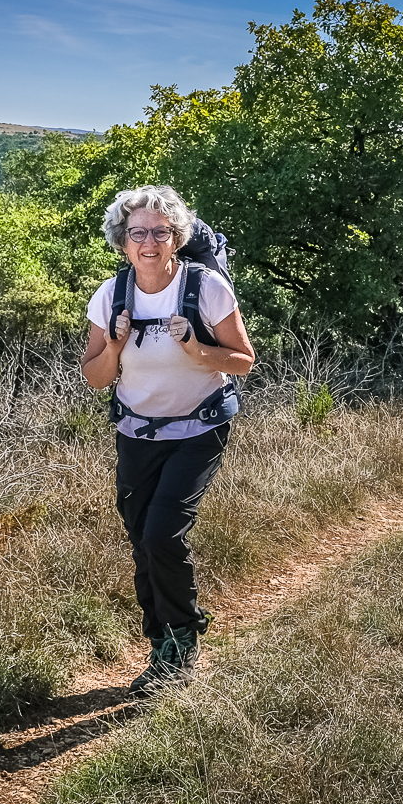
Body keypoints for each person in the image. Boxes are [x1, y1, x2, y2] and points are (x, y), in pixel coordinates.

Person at [81, 185, 256, 694]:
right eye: (138, 233)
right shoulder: (110, 296)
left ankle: (182, 646)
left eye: (160, 232)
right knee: (142, 542)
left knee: (161, 535)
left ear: (177, 237)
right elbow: (95, 376)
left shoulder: (206, 288)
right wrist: (114, 344)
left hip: (199, 429)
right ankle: (162, 644)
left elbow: (244, 360)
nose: (149, 242)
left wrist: (197, 349)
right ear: (123, 241)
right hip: (136, 431)